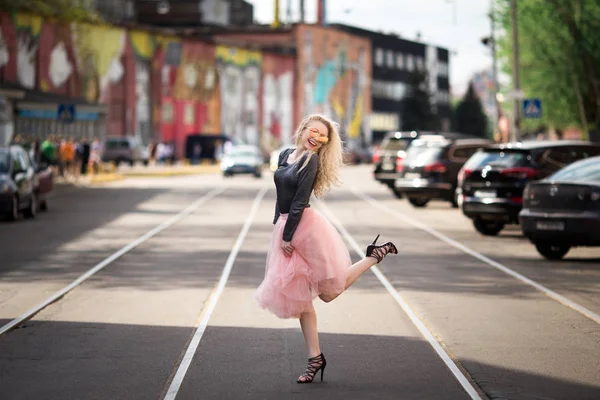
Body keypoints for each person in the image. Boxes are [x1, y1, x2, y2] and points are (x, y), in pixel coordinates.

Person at [254, 114, 398, 384]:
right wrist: (277, 225)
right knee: (302, 298)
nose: (317, 138)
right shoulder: (286, 154)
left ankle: (373, 257)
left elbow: (299, 200)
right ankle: (315, 358)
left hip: (303, 230)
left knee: (329, 292)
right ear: (303, 127)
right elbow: (280, 195)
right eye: (315, 131)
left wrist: (287, 235)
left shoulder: (310, 160)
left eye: (323, 136)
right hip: (286, 227)